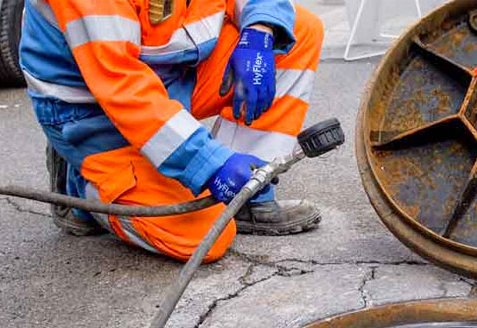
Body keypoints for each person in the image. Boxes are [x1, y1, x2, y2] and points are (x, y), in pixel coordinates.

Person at [20, 0, 324, 262]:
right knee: (201, 237)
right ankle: (83, 183)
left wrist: (261, 30)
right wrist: (210, 164)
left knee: (298, 31)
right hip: (93, 113)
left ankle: (246, 194)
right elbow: (123, 88)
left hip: (173, 77)